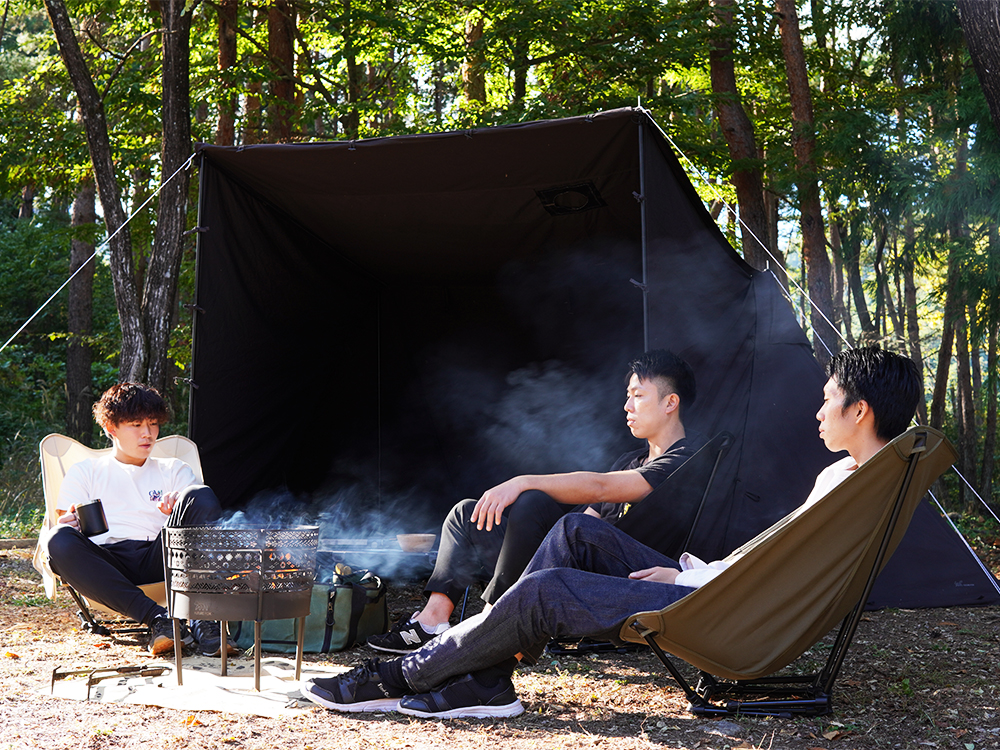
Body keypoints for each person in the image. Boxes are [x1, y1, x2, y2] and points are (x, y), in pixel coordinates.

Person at [302, 346, 922, 718]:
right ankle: (485, 672)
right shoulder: (861, 474)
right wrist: (688, 573)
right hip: (719, 594)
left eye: (826, 399)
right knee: (573, 532)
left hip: (727, 614)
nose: (816, 412)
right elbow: (778, 559)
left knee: (546, 590)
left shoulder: (849, 483)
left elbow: (777, 571)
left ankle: (409, 675)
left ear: (858, 410)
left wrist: (687, 579)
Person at [368, 350, 704, 654]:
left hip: (624, 579)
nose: (627, 407)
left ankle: (491, 624)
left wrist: (522, 482)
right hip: (577, 563)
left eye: (638, 396)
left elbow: (601, 488)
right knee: (467, 515)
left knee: (534, 503)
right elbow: (590, 519)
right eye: (628, 396)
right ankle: (431, 623)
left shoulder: (685, 461)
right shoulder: (629, 460)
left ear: (670, 403)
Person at [39, 382, 236, 657]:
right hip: (109, 564)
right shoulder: (86, 472)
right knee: (57, 539)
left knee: (199, 495)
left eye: (153, 424)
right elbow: (63, 524)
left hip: (165, 558)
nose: (148, 434)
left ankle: (203, 619)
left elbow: (201, 512)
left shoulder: (174, 469)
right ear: (111, 429)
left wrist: (181, 503)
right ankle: (159, 620)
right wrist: (70, 523)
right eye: (135, 424)